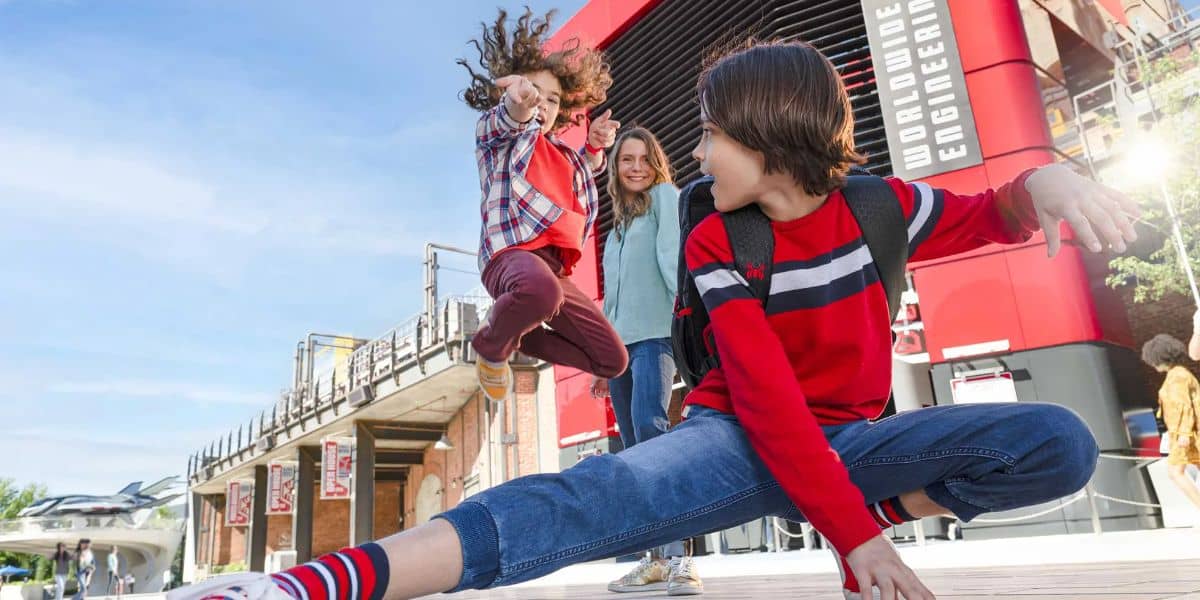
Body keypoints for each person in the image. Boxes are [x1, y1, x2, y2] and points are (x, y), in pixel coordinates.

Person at [168, 39, 1138, 600]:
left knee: (1055, 443)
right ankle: (308, 587)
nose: (699, 150)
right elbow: (764, 400)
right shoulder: (720, 241)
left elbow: (994, 211)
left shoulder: (880, 209)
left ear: (771, 139)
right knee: (587, 501)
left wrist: (1044, 177)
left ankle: (859, 506)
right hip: (737, 438)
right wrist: (861, 544)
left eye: (714, 133)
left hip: (851, 446)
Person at [459, 7, 628, 403]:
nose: (543, 104)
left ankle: (520, 329)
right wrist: (517, 106)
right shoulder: (499, 139)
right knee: (541, 292)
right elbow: (506, 120)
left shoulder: (562, 155)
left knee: (613, 361)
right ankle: (490, 343)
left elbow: (582, 170)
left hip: (552, 272)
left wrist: (595, 145)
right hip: (511, 256)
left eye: (552, 99)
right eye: (534, 92)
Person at [588, 127, 699, 595]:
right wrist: (603, 359)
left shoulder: (664, 198)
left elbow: (674, 261)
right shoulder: (618, 228)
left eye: (643, 159)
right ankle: (653, 557)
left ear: (656, 163)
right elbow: (612, 300)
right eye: (626, 159)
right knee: (634, 451)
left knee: (653, 434)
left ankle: (679, 560)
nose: (635, 167)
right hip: (623, 349)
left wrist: (689, 332)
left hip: (656, 336)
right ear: (615, 168)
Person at [1142, 333, 1200, 510]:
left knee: (1175, 472)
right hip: (1190, 432)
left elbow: (1183, 406)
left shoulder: (1176, 377)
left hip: (1185, 434)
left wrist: (1183, 433)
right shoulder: (1180, 374)